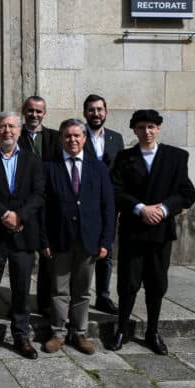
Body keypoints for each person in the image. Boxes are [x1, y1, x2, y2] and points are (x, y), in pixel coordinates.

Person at [108, 110, 195, 355]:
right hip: (133, 231)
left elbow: (187, 193)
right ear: (134, 130)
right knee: (128, 283)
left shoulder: (175, 157)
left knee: (157, 283)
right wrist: (140, 209)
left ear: (158, 129)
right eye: (141, 127)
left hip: (161, 231)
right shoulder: (124, 158)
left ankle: (152, 332)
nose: (146, 132)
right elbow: (115, 190)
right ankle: (122, 329)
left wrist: (165, 209)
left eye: (151, 127)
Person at [0, 112, 44, 360]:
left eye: (12, 126)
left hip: (23, 235)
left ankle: (21, 335)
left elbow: (38, 195)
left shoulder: (33, 161)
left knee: (22, 288)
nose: (7, 131)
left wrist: (19, 216)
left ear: (20, 131)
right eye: (2, 126)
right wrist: (5, 213)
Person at [41, 119, 115, 355]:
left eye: (77, 136)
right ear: (61, 139)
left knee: (82, 290)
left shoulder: (98, 168)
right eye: (67, 136)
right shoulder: (49, 167)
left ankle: (80, 333)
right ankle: (58, 332)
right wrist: (44, 240)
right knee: (59, 290)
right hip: (59, 239)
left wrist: (105, 241)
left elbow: (108, 207)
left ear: (84, 138)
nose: (72, 140)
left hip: (88, 240)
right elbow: (41, 208)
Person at [17, 95, 61, 315]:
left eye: (39, 111)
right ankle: (20, 304)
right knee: (23, 259)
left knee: (48, 257)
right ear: (23, 111)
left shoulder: (55, 137)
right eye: (30, 110)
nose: (34, 115)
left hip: (49, 205)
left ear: (44, 113)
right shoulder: (15, 136)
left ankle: (44, 303)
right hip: (24, 204)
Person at [82, 94, 124, 315]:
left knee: (106, 249)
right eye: (91, 110)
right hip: (85, 202)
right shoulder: (78, 136)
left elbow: (121, 172)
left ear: (106, 112)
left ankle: (103, 296)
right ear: (85, 113)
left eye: (99, 109)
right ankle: (79, 294)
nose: (96, 114)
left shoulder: (115, 139)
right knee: (83, 250)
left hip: (109, 204)